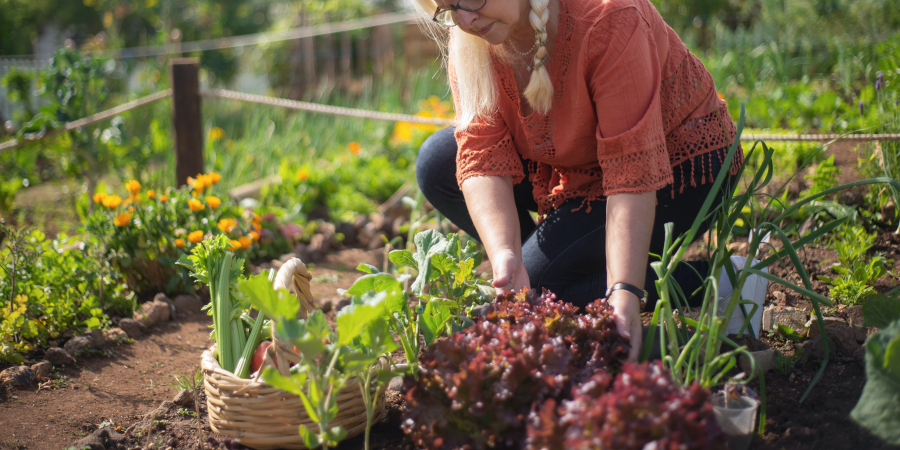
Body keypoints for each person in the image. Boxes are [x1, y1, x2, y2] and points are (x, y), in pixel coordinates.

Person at [412, 0, 745, 361]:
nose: (464, 19)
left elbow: (630, 174)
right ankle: (548, 272)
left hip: (679, 167)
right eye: (447, 8)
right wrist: (506, 254)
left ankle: (721, 277)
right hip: (580, 164)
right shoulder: (473, 39)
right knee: (438, 162)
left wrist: (624, 290)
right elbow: (482, 150)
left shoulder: (612, 18)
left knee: (544, 289)